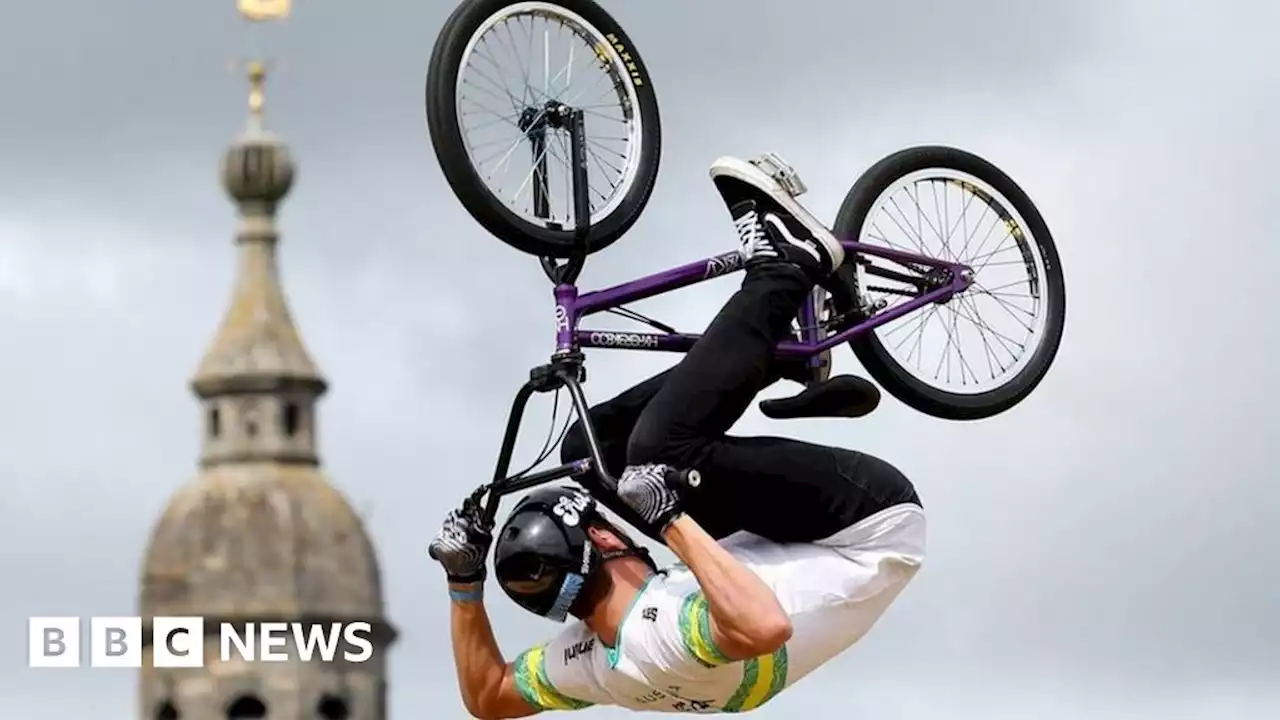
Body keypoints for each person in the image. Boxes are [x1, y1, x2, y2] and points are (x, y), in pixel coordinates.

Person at [429, 154, 926, 717]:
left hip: (771, 542)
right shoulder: (664, 635)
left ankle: (772, 347)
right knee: (657, 456)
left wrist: (463, 582)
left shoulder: (588, 661)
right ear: (607, 540)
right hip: (867, 528)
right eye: (604, 523)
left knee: (584, 457)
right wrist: (669, 518)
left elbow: (488, 697)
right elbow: (765, 627)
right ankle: (789, 267)